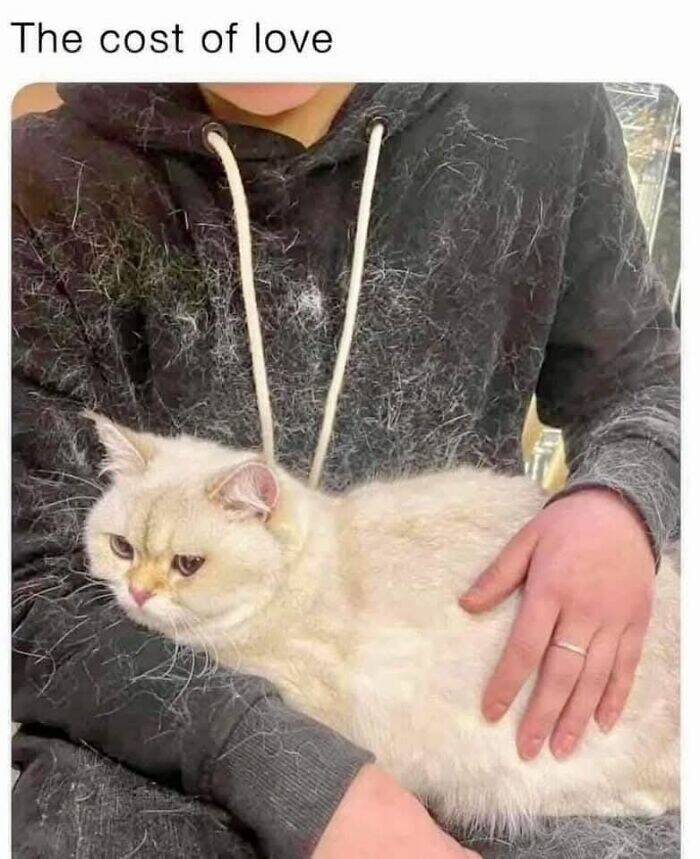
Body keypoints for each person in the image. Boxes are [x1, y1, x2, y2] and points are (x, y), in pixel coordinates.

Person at [12, 82, 679, 858]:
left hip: (514, 715)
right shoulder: (45, 178)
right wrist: (294, 772)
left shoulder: (544, 107)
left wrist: (621, 499)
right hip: (149, 725)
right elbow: (29, 584)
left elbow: (645, 378)